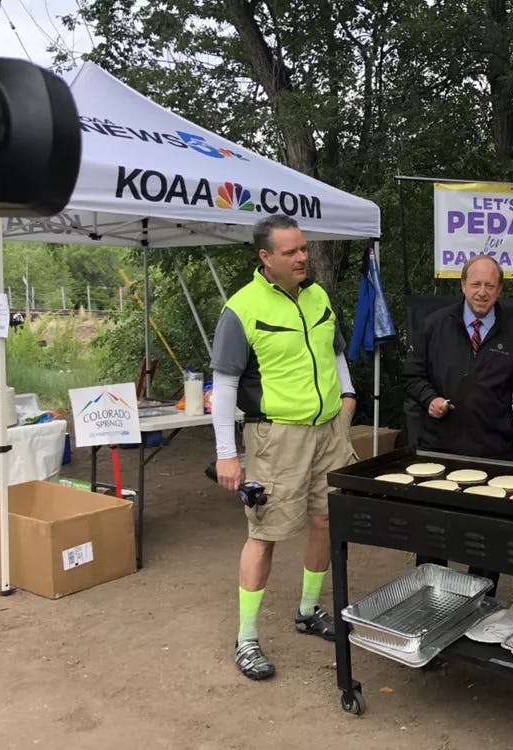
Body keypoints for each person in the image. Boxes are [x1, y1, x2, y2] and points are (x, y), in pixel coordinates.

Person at [210, 214, 357, 681]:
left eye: (304, 249)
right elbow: (225, 383)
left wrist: (348, 396)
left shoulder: (317, 296)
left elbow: (334, 351)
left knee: (325, 519)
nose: (302, 258)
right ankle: (246, 638)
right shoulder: (242, 308)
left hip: (329, 431)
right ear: (265, 257)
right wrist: (226, 453)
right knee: (265, 532)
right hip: (276, 439)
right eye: (291, 252)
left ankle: (309, 611)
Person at [403, 254, 513, 595]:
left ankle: (481, 606)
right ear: (463, 285)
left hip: (492, 450)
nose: (482, 292)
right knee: (435, 533)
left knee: (486, 537)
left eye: (489, 285)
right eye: (475, 284)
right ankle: (432, 603)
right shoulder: (435, 325)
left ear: (500, 289)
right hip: (438, 450)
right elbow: (411, 374)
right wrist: (429, 398)